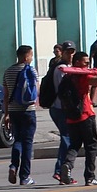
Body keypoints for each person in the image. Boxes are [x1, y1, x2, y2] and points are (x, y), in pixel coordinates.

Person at [53, 51, 97, 186]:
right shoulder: (83, 76)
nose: (88, 65)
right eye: (86, 62)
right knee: (91, 146)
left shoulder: (67, 77)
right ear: (77, 62)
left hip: (71, 117)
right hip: (86, 115)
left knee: (74, 144)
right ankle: (90, 177)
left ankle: (67, 164)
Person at [0, 45, 39, 187]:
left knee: (17, 140)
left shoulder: (8, 71)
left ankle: (13, 166)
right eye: (31, 55)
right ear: (25, 57)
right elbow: (36, 90)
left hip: (13, 111)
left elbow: (5, 95)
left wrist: (6, 114)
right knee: (28, 143)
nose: (32, 58)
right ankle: (25, 176)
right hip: (28, 110)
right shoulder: (31, 70)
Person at [38, 43, 76, 181]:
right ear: (62, 53)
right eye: (68, 52)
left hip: (60, 108)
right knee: (67, 139)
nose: (70, 55)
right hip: (60, 108)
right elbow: (64, 92)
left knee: (68, 138)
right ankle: (60, 170)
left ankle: (62, 171)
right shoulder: (61, 69)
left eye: (73, 52)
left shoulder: (68, 67)